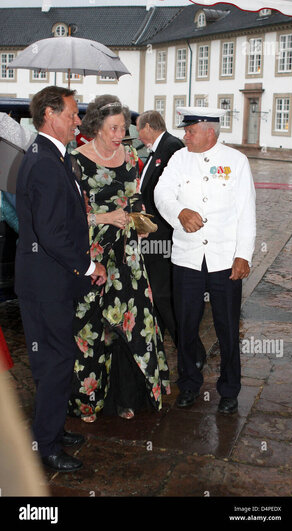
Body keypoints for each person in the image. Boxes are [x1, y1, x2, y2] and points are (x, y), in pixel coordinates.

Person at [15, 86, 106, 472]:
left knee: (58, 357)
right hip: (46, 283)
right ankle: (46, 445)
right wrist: (88, 267)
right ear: (50, 114)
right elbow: (51, 234)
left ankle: (51, 428)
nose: (78, 120)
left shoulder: (53, 155)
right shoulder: (46, 162)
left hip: (51, 280)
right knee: (55, 361)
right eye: (72, 113)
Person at [67, 95, 170, 422]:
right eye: (113, 128)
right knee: (93, 327)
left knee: (132, 325)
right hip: (93, 255)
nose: (118, 134)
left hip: (128, 257)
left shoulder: (129, 156)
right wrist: (105, 218)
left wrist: (143, 224)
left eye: (122, 128)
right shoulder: (75, 160)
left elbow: (135, 201)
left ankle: (127, 398)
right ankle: (87, 400)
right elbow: (68, 217)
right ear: (95, 125)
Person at [154, 106, 256, 413]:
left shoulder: (236, 162)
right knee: (185, 326)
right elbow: (162, 194)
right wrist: (179, 213)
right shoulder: (179, 159)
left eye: (190, 130)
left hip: (224, 258)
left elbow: (246, 212)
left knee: (227, 328)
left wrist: (243, 255)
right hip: (187, 258)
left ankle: (229, 389)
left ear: (209, 131)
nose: (184, 135)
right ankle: (189, 384)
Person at [137, 110, 207, 363]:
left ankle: (193, 353)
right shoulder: (157, 149)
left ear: (147, 126)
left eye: (137, 128)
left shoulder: (171, 147)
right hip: (151, 236)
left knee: (164, 297)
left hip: (162, 238)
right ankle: (157, 350)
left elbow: (170, 197)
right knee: (156, 298)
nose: (136, 134)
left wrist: (153, 230)